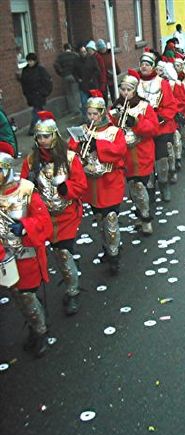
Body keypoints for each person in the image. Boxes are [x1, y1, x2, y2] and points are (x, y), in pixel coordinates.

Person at [21, 111, 87, 315]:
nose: (43, 140)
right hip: (44, 217)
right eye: (39, 137)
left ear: (54, 136)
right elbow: (23, 190)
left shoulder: (68, 157)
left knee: (64, 253)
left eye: (46, 136)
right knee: (55, 256)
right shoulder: (31, 161)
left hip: (66, 215)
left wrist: (68, 189)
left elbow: (81, 184)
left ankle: (73, 291)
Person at [0, 148, 53, 357]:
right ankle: (34, 325)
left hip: (27, 253)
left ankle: (41, 332)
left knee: (27, 295)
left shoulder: (26, 189)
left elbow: (44, 222)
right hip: (5, 256)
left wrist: (25, 226)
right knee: (17, 295)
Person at [68, 90, 127, 274]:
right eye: (89, 114)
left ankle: (114, 255)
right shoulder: (83, 130)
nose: (92, 117)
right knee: (100, 219)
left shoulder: (114, 131)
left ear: (102, 113)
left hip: (110, 182)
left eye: (95, 114)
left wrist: (98, 145)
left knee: (110, 219)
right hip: (92, 185)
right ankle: (107, 247)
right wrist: (78, 145)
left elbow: (119, 150)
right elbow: (71, 151)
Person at [108, 69, 158, 236]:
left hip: (142, 153)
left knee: (139, 185)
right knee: (133, 187)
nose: (125, 93)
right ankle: (139, 212)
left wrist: (136, 122)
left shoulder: (144, 106)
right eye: (123, 89)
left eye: (129, 89)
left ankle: (146, 218)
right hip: (125, 156)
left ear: (135, 89)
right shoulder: (115, 107)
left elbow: (153, 129)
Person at [137, 48, 178, 202]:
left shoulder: (163, 84)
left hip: (161, 128)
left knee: (161, 160)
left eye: (148, 64)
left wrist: (158, 119)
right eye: (142, 64)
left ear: (153, 66)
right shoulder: (135, 84)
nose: (144, 67)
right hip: (141, 130)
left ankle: (164, 184)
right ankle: (149, 189)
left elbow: (171, 107)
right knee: (146, 162)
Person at [20, 53, 53, 136]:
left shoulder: (40, 69)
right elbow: (23, 82)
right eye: (28, 61)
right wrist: (25, 93)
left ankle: (33, 128)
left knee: (36, 110)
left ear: (35, 61)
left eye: (31, 61)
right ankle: (43, 125)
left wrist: (44, 92)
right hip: (30, 95)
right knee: (39, 110)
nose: (30, 63)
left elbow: (47, 81)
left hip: (39, 94)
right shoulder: (25, 70)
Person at [73, 44, 100, 120]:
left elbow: (97, 70)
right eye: (82, 52)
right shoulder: (77, 62)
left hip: (92, 85)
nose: (84, 53)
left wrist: (92, 78)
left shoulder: (92, 59)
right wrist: (78, 79)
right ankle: (86, 118)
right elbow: (74, 72)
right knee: (84, 103)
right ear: (79, 53)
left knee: (94, 103)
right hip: (83, 86)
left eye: (85, 52)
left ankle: (96, 117)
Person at [53, 43, 80, 115]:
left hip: (65, 76)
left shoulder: (60, 56)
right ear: (70, 48)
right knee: (75, 93)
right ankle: (77, 109)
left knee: (69, 93)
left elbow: (55, 65)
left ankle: (72, 109)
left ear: (64, 49)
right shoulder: (75, 55)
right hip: (74, 76)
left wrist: (61, 73)